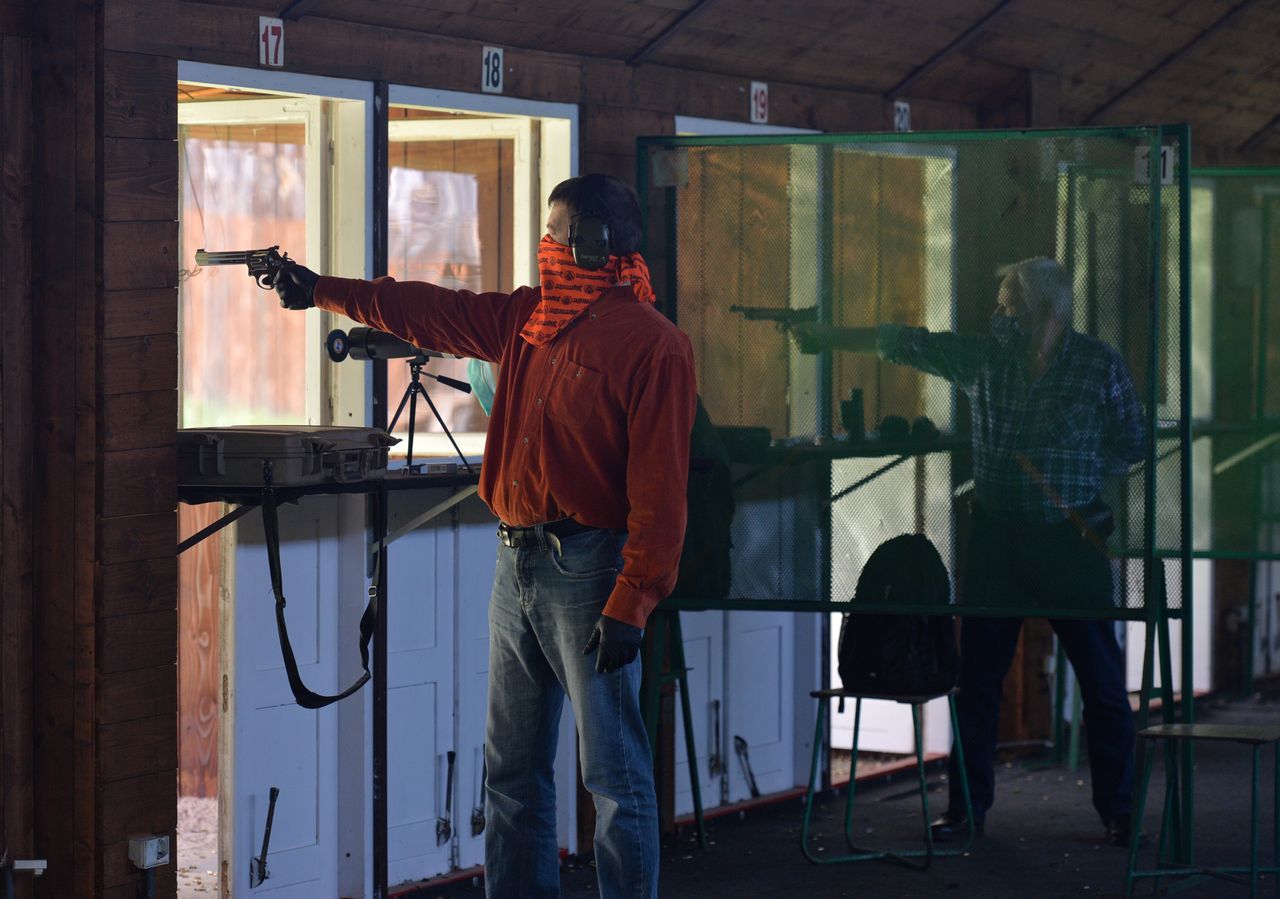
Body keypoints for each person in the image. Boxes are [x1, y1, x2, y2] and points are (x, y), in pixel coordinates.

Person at [274, 174, 697, 899]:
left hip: (590, 572)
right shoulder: (527, 319)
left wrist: (633, 599)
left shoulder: (655, 347)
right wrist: (321, 289)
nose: (546, 248)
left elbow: (661, 494)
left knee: (616, 778)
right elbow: (427, 310)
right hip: (518, 562)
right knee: (511, 774)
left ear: (594, 245)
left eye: (556, 235)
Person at [791, 257, 1145, 847]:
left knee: (1104, 683)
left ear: (1045, 313)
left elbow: (1130, 442)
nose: (998, 315)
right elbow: (908, 345)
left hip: (1067, 542)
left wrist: (1079, 482)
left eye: (1009, 305)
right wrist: (829, 338)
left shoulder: (1096, 366)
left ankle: (1119, 810)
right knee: (977, 680)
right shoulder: (987, 357)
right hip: (998, 539)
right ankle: (966, 811)